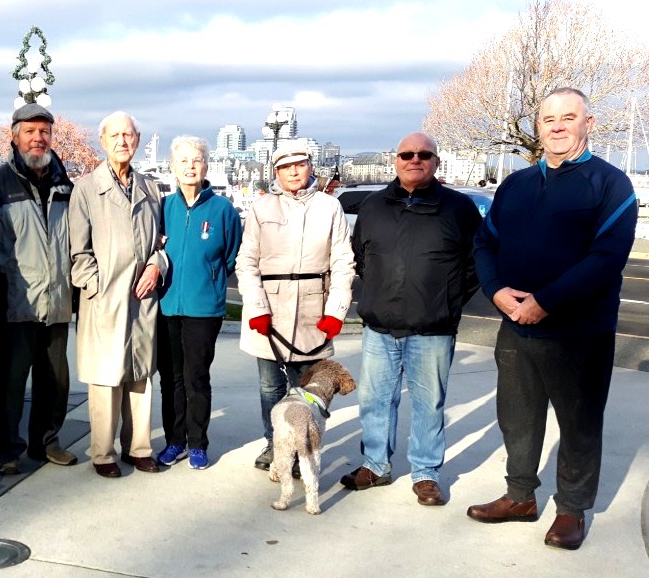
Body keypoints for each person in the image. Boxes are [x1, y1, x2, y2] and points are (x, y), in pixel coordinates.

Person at [468, 87, 637, 549]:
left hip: (579, 331)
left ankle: (571, 510)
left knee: (579, 423)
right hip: (515, 325)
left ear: (589, 123)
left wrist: (544, 301)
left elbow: (605, 258)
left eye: (568, 118)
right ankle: (520, 496)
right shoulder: (516, 185)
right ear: (538, 126)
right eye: (548, 119)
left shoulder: (610, 184)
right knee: (517, 417)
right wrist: (497, 291)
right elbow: (486, 244)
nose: (557, 127)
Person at [340, 132, 481, 506]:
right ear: (395, 160)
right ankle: (375, 464)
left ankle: (426, 473)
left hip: (433, 329)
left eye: (424, 154)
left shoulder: (458, 208)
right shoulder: (373, 208)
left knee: (428, 404)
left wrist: (447, 301)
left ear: (436, 162)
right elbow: (361, 259)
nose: (414, 159)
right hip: (380, 329)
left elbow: (475, 265)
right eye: (407, 154)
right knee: (375, 401)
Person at [236, 147, 354, 475]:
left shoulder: (330, 207)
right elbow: (246, 261)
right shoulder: (261, 208)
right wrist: (256, 306)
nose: (293, 172)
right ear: (276, 171)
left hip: (313, 310)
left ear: (309, 166)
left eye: (299, 165)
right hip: (269, 312)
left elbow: (343, 262)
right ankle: (275, 442)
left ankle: (305, 446)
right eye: (285, 166)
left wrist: (336, 311)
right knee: (271, 386)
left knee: (310, 388)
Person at [0, 102, 78, 475]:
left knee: (56, 380)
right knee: (10, 384)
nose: (38, 138)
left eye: (44, 132)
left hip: (56, 301)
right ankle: (7, 450)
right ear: (15, 136)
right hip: (13, 305)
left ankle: (46, 441)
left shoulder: (66, 185)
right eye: (30, 131)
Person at [69, 111, 166, 478]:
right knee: (106, 377)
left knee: (140, 376)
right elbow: (77, 252)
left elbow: (161, 241)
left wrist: (158, 265)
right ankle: (103, 452)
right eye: (116, 136)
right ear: (103, 141)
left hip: (142, 300)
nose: (123, 141)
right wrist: (96, 286)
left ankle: (139, 448)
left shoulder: (150, 187)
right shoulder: (87, 189)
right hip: (104, 300)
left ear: (138, 141)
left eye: (129, 135)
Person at [153, 136, 242, 470]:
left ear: (206, 166)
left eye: (197, 160)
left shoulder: (223, 210)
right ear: (173, 167)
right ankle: (174, 441)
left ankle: (197, 443)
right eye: (183, 161)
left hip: (203, 310)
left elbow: (233, 255)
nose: (190, 166)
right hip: (166, 307)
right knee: (170, 379)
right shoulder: (164, 208)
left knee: (196, 377)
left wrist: (214, 279)